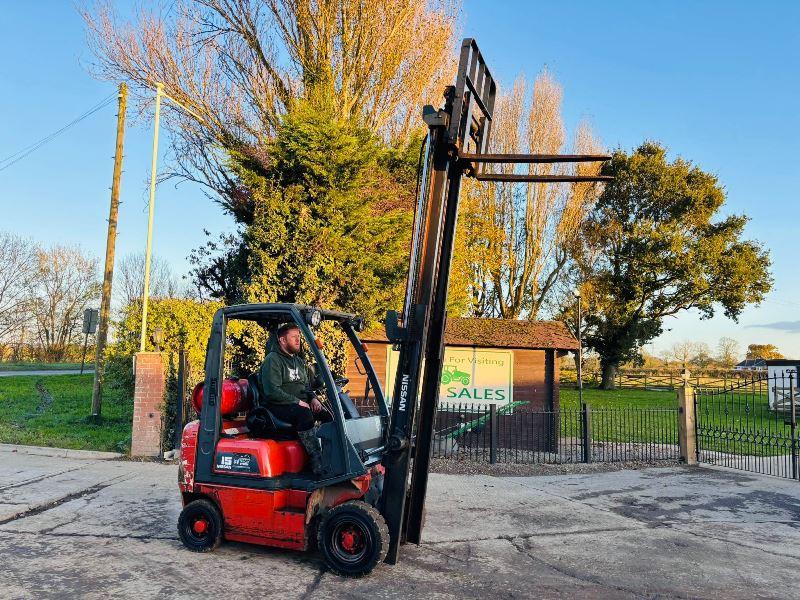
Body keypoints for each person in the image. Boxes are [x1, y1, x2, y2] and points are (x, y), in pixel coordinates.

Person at [259, 322, 326, 476]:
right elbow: (272, 391)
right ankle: (316, 461)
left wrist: (313, 398)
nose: (298, 340)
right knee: (304, 414)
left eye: (299, 337)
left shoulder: (298, 361)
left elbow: (307, 386)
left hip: (298, 404)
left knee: (327, 413)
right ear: (282, 340)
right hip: (276, 406)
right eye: (294, 337)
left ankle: (331, 456)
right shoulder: (273, 360)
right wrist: (297, 402)